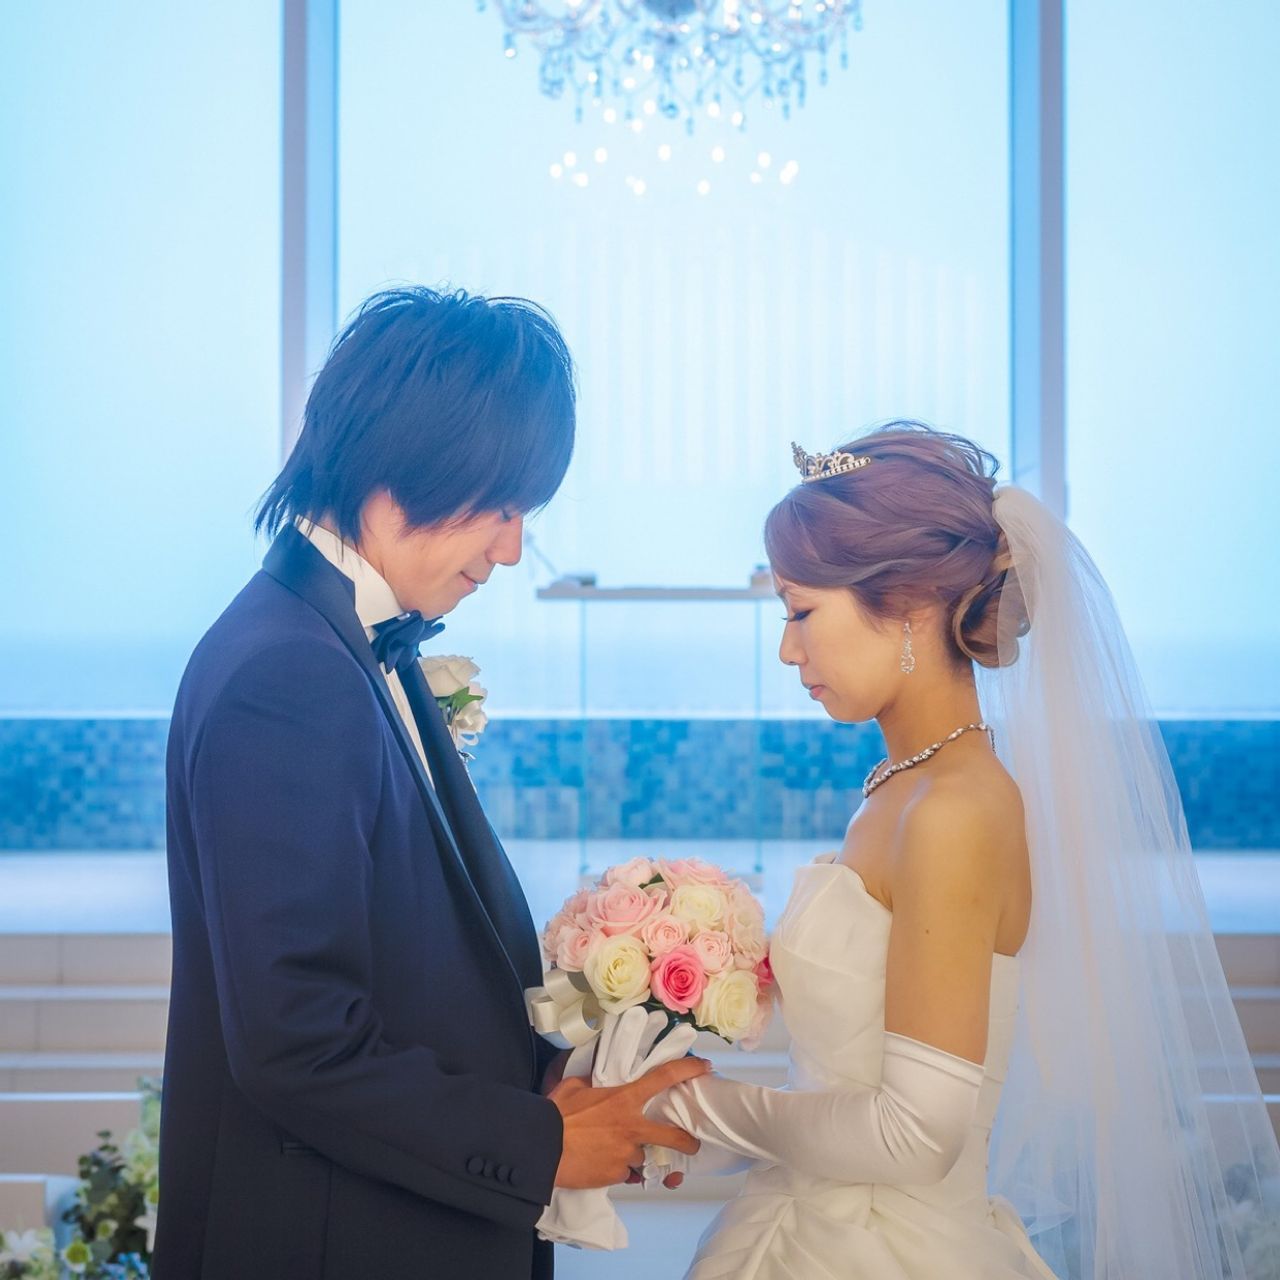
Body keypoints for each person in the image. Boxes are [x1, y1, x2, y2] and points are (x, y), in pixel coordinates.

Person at [154, 286, 707, 1280]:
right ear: (394, 473)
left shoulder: (344, 640)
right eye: (500, 506)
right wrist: (538, 1145)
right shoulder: (288, 672)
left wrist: (558, 1073)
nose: (510, 549)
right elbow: (295, 1040)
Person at [647, 423, 1280, 1279]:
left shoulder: (954, 810)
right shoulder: (902, 785)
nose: (788, 649)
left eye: (800, 612)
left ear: (910, 603)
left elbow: (916, 1134)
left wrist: (695, 1106)